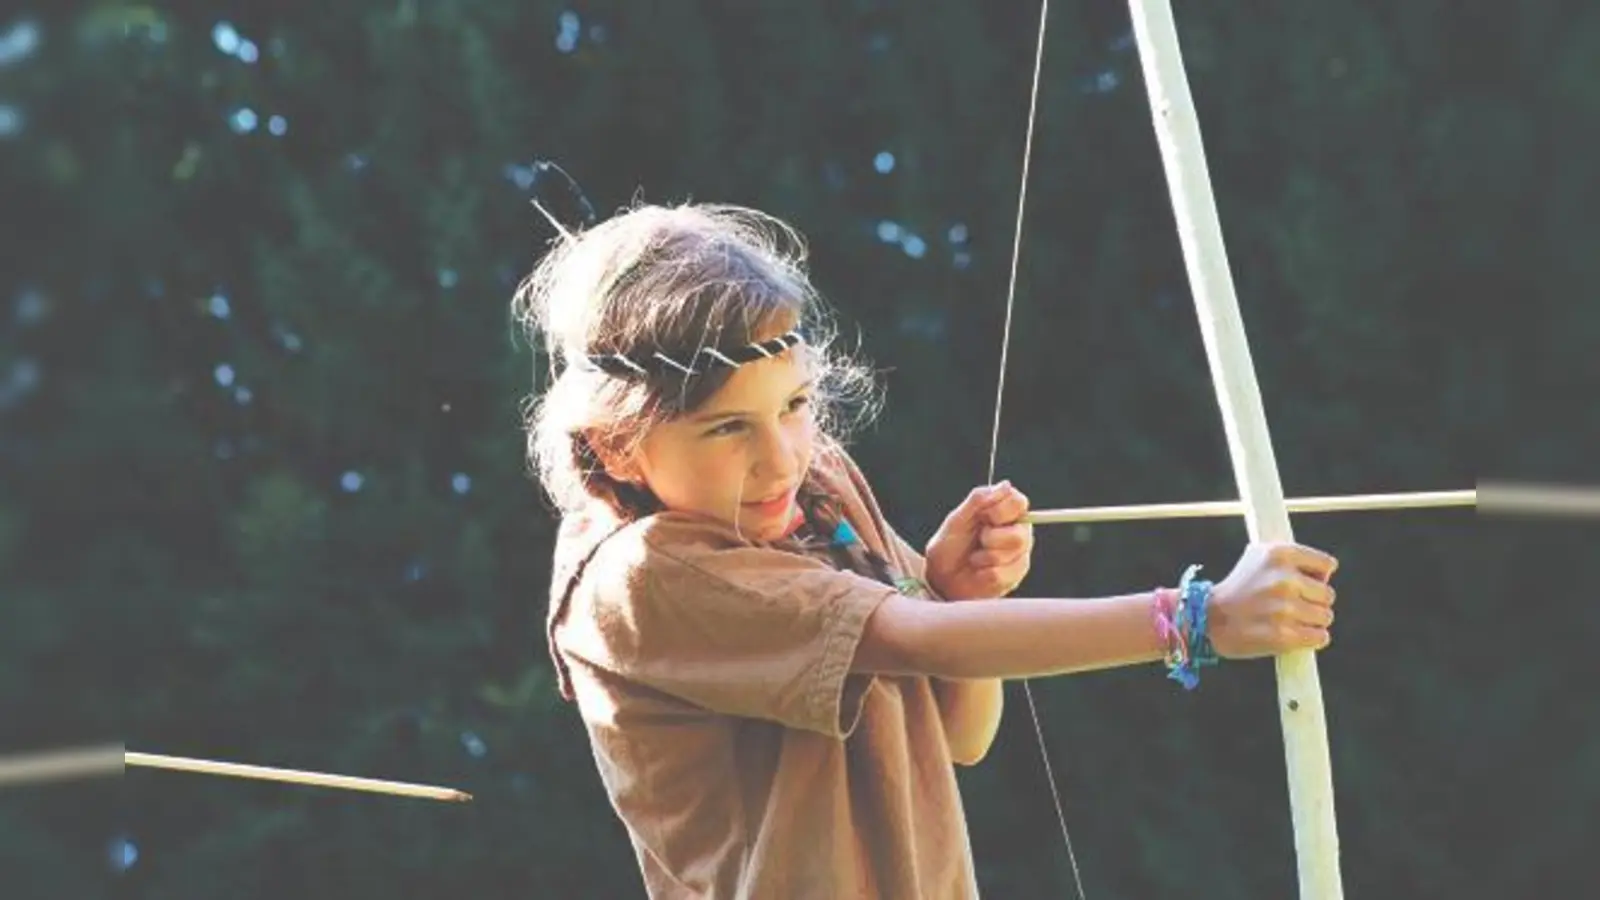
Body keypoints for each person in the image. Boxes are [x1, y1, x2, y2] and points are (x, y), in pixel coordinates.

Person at [515, 201, 1338, 899]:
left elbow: (959, 733)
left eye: (795, 404)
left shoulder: (818, 489)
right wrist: (1200, 618)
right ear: (618, 446)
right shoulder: (641, 573)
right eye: (728, 427)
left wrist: (961, 594)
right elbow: (909, 639)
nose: (779, 457)